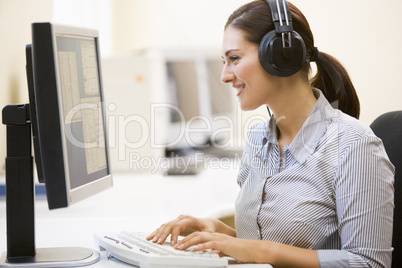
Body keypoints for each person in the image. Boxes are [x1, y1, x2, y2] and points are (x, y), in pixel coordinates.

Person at [147, 0, 395, 267]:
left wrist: (259, 252)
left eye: (234, 59)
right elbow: (270, 246)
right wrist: (218, 234)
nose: (224, 76)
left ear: (280, 55)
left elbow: (369, 262)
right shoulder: (257, 138)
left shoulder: (353, 145)